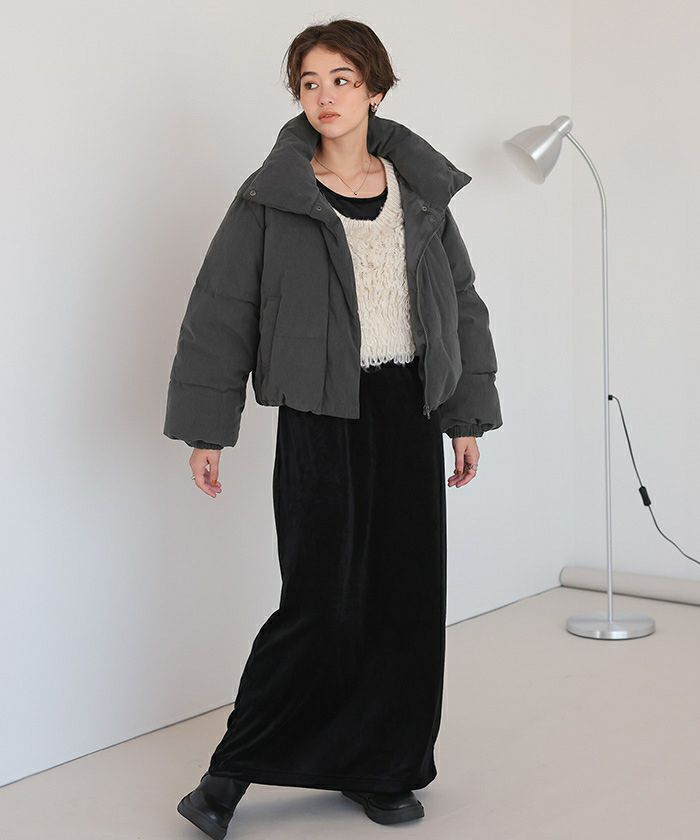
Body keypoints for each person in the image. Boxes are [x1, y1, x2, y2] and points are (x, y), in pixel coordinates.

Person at [164, 18, 502, 839]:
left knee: (405, 596)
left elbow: (460, 304)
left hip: (408, 407)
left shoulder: (418, 192)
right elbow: (221, 310)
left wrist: (464, 418)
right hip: (320, 411)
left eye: (342, 79)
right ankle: (229, 775)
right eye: (310, 82)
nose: (325, 96)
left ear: (375, 89)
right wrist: (209, 429)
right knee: (319, 600)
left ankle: (382, 767)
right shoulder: (272, 195)